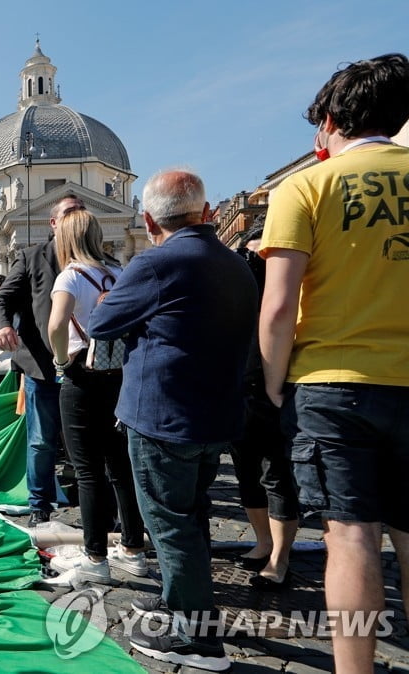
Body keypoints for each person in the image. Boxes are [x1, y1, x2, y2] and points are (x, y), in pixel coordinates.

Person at [258, 53, 409, 673]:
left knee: (350, 537)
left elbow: (278, 306)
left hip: (332, 383)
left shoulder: (303, 186)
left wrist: (273, 384)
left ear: (329, 121)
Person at [89, 169, 257, 671]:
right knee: (194, 515)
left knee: (172, 526)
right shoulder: (235, 263)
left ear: (148, 218)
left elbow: (101, 322)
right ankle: (173, 599)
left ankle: (199, 640)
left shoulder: (157, 263)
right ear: (206, 212)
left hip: (163, 415)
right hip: (218, 414)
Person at [46, 209, 146, 588]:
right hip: (119, 376)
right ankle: (134, 550)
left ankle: (95, 556)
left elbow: (56, 324)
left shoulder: (70, 276)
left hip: (81, 377)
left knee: (87, 470)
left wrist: (59, 359)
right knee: (121, 468)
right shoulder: (119, 274)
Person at [0, 196, 85, 527]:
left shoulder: (93, 260)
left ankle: (97, 505)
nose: (76, 219)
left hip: (86, 369)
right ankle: (39, 505)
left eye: (80, 213)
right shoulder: (32, 258)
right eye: (69, 214)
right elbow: (3, 298)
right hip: (43, 368)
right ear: (54, 223)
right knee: (42, 440)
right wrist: (2, 325)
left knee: (88, 443)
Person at [230, 225, 300, 588]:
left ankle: (280, 557)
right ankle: (264, 543)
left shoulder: (292, 284)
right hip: (241, 385)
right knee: (246, 471)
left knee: (277, 474)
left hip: (278, 386)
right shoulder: (236, 286)